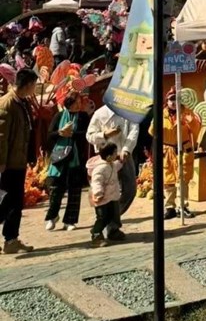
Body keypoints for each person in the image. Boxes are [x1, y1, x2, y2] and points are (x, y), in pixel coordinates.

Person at [0, 67, 38, 254]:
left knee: (14, 203)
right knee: (6, 202)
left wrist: (30, 156)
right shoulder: (7, 103)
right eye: (34, 84)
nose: (35, 88)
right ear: (28, 84)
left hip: (18, 161)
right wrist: (1, 162)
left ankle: (11, 240)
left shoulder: (23, 102)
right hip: (8, 164)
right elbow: (1, 136)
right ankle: (10, 238)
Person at [149, 88, 200, 220]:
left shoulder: (186, 113)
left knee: (183, 179)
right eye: (171, 100)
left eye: (176, 99)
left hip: (183, 149)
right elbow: (152, 132)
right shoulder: (161, 114)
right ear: (167, 101)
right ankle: (170, 207)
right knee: (168, 180)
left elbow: (196, 130)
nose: (173, 102)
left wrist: (190, 121)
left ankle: (182, 207)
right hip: (167, 151)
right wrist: (155, 123)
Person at [44, 90, 92, 231]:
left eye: (79, 102)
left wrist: (72, 134)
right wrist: (60, 133)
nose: (78, 105)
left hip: (75, 157)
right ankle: (52, 216)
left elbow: (86, 134)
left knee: (74, 189)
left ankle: (70, 221)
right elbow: (50, 135)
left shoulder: (83, 116)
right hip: (59, 156)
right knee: (56, 188)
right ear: (69, 103)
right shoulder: (59, 116)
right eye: (76, 102)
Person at [86, 103, 139, 221]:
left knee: (130, 190)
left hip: (124, 155)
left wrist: (126, 149)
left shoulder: (129, 112)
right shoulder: (100, 114)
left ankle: (112, 216)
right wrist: (105, 135)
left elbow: (134, 131)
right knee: (106, 191)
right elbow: (90, 136)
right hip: (106, 158)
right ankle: (109, 221)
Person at [87, 142, 124, 247]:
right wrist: (98, 193)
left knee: (110, 216)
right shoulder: (100, 168)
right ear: (108, 156)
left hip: (110, 197)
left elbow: (116, 166)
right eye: (115, 152)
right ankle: (96, 234)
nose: (116, 154)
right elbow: (96, 182)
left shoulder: (111, 165)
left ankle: (97, 230)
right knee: (102, 217)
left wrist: (121, 161)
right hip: (101, 198)